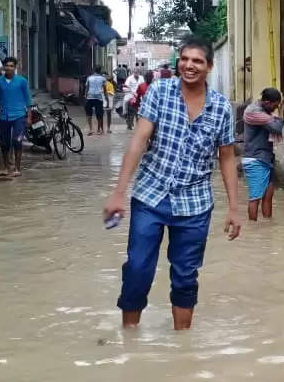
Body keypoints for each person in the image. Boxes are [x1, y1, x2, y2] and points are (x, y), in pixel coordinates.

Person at [103, 36, 241, 331]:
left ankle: (182, 346)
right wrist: (118, 193)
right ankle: (130, 341)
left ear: (209, 67)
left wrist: (234, 208)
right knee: (138, 269)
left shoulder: (221, 109)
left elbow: (227, 158)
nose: (189, 66)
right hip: (151, 196)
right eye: (185, 59)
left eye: (197, 61)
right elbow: (139, 141)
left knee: (185, 275)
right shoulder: (160, 91)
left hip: (195, 204)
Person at [241, 88, 284, 221]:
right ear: (266, 102)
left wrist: (275, 119)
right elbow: (277, 127)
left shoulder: (265, 112)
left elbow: (275, 124)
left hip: (266, 158)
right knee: (255, 198)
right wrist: (277, 119)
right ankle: (253, 231)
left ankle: (266, 227)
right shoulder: (253, 111)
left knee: (268, 196)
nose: (276, 107)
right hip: (255, 160)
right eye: (275, 105)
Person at [0, 57, 31, 177]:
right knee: (4, 143)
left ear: (15, 68)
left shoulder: (22, 81)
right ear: (3, 67)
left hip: (19, 115)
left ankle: (17, 168)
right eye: (6, 66)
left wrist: (29, 117)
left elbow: (28, 100)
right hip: (4, 116)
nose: (8, 68)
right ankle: (6, 167)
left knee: (17, 141)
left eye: (11, 66)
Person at [84, 67, 107, 135]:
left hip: (90, 97)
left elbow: (87, 88)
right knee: (99, 114)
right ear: (100, 71)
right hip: (99, 98)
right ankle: (99, 130)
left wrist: (85, 96)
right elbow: (105, 90)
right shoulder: (103, 78)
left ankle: (90, 129)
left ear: (94, 71)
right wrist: (106, 99)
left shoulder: (89, 78)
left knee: (89, 114)